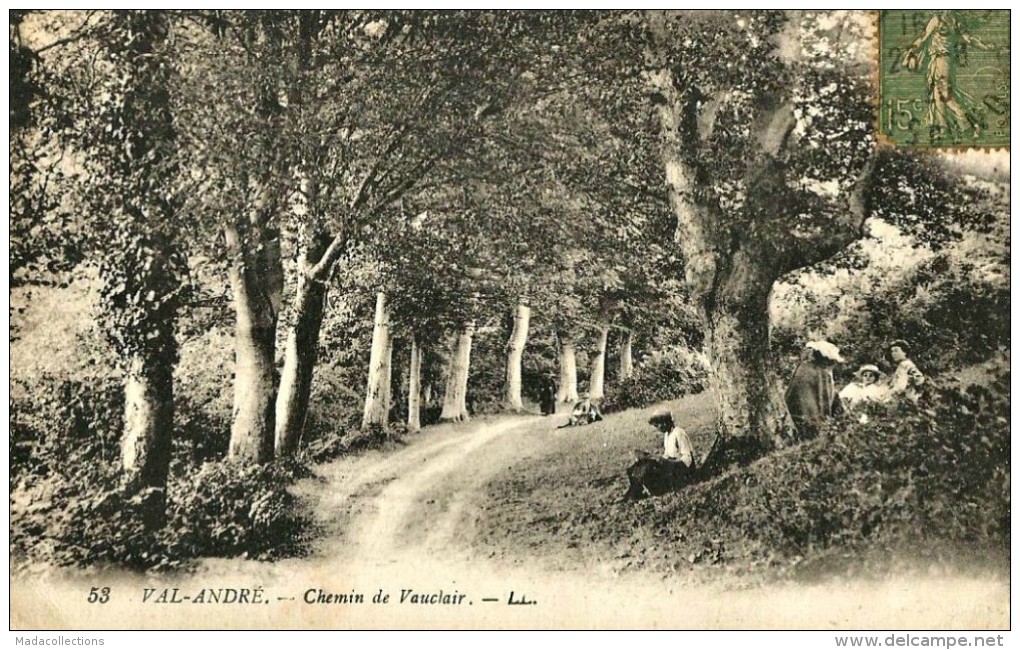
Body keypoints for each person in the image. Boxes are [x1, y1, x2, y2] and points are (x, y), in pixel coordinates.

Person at [900, 11, 991, 140]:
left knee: (944, 95)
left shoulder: (938, 20)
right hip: (945, 61)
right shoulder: (956, 21)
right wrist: (985, 47)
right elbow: (969, 39)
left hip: (941, 60)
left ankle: (973, 123)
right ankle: (943, 130)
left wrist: (910, 51)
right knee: (938, 97)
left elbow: (923, 39)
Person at [784, 340, 845, 441]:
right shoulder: (817, 372)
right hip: (806, 415)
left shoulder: (806, 368)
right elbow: (820, 400)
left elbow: (830, 396)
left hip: (799, 415)